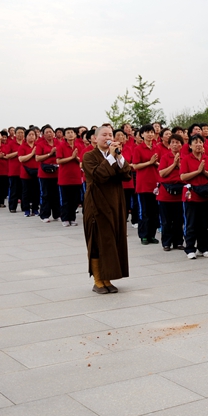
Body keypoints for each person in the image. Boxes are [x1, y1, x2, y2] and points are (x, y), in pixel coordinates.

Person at [82, 124, 132, 294]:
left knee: (112, 241)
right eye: (104, 134)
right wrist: (110, 157)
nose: (108, 137)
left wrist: (119, 157)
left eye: (110, 134)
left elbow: (126, 174)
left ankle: (108, 279)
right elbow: (98, 176)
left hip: (115, 203)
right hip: (96, 204)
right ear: (94, 138)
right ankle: (98, 280)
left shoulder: (115, 155)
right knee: (97, 242)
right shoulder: (89, 156)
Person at [180, 134, 208, 259]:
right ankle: (190, 248)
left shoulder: (207, 159)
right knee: (191, 224)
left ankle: (204, 248)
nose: (198, 144)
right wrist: (197, 172)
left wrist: (204, 172)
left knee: (203, 224)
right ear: (190, 145)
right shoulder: (186, 159)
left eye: (201, 142)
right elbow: (183, 177)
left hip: (205, 195)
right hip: (191, 195)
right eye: (195, 142)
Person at [132, 125, 162, 245]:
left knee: (154, 212)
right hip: (143, 184)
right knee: (144, 211)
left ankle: (152, 235)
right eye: (147, 132)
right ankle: (144, 235)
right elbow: (135, 166)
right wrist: (149, 163)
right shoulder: (138, 149)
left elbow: (161, 164)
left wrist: (155, 163)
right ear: (142, 135)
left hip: (155, 184)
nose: (150, 134)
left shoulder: (157, 148)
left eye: (151, 132)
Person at [157, 134, 185, 250]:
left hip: (180, 192)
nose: (175, 144)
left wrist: (179, 165)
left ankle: (178, 242)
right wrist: (174, 164)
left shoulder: (185, 157)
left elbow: (186, 174)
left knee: (179, 219)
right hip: (165, 193)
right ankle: (166, 243)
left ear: (181, 145)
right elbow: (162, 173)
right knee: (166, 221)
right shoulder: (165, 157)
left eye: (177, 142)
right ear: (169, 145)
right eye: (172, 142)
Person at [56, 127, 84, 227]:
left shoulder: (79, 146)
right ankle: (65, 218)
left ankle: (72, 218)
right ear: (64, 136)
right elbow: (58, 161)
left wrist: (75, 158)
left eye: (72, 132)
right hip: (65, 177)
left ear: (75, 135)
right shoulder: (61, 146)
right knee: (65, 200)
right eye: (68, 133)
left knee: (75, 199)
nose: (70, 134)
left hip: (76, 177)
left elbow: (82, 161)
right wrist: (71, 157)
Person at [35, 126, 60, 221]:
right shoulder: (40, 144)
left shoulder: (58, 143)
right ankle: (44, 215)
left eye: (51, 132)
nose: (49, 134)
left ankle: (57, 214)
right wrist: (50, 153)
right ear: (43, 134)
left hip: (57, 172)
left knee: (56, 194)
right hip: (44, 173)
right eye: (47, 132)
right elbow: (37, 158)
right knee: (45, 194)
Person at [18, 129, 40, 217]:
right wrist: (32, 154)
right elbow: (21, 159)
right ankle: (26, 209)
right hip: (25, 172)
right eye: (29, 135)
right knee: (26, 192)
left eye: (33, 135)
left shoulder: (38, 145)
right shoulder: (22, 147)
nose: (31, 136)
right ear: (26, 136)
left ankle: (35, 208)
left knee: (36, 191)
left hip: (37, 171)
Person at [6, 128, 25, 213]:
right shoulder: (11, 143)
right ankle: (12, 207)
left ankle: (25, 207)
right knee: (14, 190)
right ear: (15, 134)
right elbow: (7, 156)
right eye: (18, 133)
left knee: (24, 190)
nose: (20, 134)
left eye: (22, 133)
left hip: (25, 170)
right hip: (14, 171)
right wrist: (18, 152)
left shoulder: (26, 143)